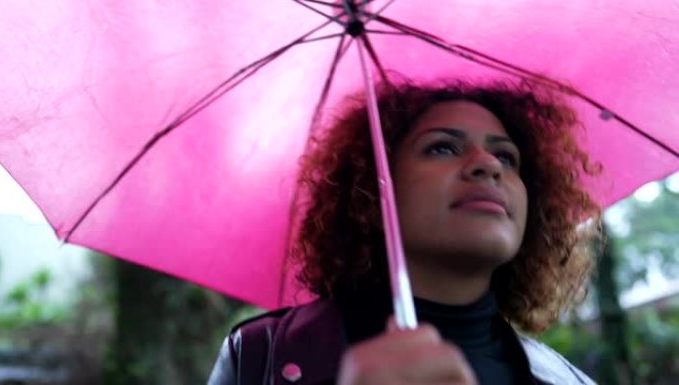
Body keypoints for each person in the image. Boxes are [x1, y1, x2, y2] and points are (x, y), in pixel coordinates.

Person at [207, 79, 601, 384]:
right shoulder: (263, 357)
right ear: (373, 189)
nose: (488, 165)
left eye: (506, 156)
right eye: (443, 148)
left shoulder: (567, 380)